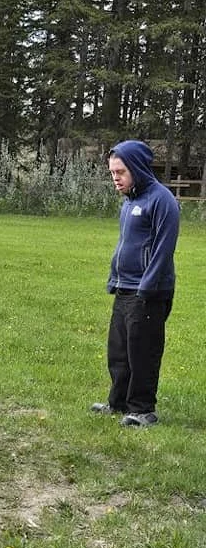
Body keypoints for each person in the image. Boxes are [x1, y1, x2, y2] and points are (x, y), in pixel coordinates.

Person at [91, 140, 180, 427]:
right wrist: (114, 279)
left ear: (137, 168)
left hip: (149, 292)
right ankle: (117, 403)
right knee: (119, 351)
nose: (115, 178)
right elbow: (126, 245)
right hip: (125, 287)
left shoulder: (162, 200)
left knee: (143, 353)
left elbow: (163, 250)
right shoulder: (130, 202)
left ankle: (143, 410)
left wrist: (147, 288)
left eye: (120, 172)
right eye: (112, 173)